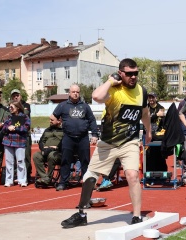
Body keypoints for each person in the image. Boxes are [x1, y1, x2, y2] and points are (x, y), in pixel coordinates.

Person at [61, 58, 151, 228]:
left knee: (132, 176)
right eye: (129, 74)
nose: (133, 77)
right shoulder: (114, 90)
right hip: (108, 143)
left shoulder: (142, 91)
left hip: (129, 142)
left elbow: (144, 113)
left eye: (136, 73)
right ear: (121, 73)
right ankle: (81, 213)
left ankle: (137, 216)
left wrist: (149, 131)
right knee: (89, 178)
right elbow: (96, 96)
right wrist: (110, 80)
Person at [53, 84, 99, 191]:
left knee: (85, 161)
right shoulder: (63, 105)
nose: (75, 94)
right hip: (68, 138)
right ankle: (63, 182)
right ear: (69, 93)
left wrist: (95, 134)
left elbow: (92, 120)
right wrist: (59, 123)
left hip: (83, 138)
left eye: (77, 92)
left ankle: (87, 183)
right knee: (65, 160)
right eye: (73, 92)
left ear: (79, 93)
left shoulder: (85, 106)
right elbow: (53, 117)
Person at [1, 101, 31, 187]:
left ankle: (22, 180)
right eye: (9, 107)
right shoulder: (8, 117)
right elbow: (3, 129)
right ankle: (9, 180)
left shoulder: (25, 117)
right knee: (8, 162)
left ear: (17, 107)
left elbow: (26, 128)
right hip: (8, 141)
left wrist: (16, 128)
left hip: (20, 142)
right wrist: (8, 128)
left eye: (12, 107)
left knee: (20, 161)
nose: (10, 109)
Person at [33, 115, 64, 185]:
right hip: (46, 151)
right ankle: (45, 178)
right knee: (36, 155)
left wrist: (54, 148)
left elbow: (64, 142)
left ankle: (48, 177)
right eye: (50, 119)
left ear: (59, 121)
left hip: (58, 153)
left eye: (52, 120)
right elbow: (41, 141)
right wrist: (43, 149)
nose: (50, 121)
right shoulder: (47, 130)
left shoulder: (64, 130)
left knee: (52, 155)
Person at [11, 89, 32, 182]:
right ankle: (17, 174)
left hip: (25, 135)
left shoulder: (26, 105)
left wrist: (16, 110)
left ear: (21, 96)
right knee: (16, 156)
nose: (16, 97)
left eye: (17, 95)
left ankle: (27, 174)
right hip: (15, 135)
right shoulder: (10, 107)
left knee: (26, 155)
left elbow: (24, 114)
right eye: (14, 96)